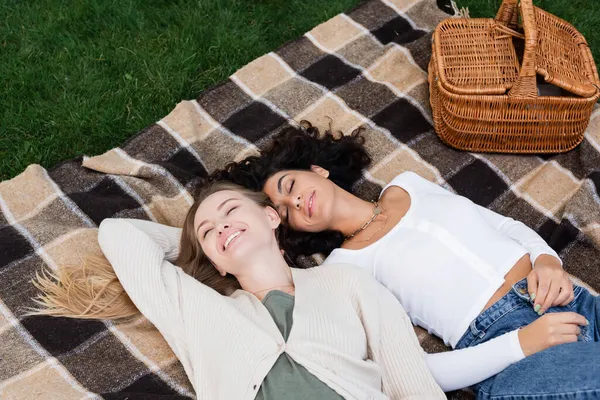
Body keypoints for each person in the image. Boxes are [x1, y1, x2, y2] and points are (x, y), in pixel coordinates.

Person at [216, 121, 600, 398]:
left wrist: (548, 260)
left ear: (317, 170)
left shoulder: (407, 184)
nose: (294, 202)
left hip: (567, 300)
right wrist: (518, 344)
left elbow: (508, 226)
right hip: (507, 352)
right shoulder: (342, 270)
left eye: (290, 187)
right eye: (285, 211)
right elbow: (406, 369)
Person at [29, 181, 446, 400]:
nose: (222, 225)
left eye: (231, 213)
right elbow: (119, 235)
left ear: (270, 216)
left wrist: (214, 239)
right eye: (209, 230)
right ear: (213, 262)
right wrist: (200, 246)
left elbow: (413, 386)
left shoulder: (345, 281)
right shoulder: (198, 308)